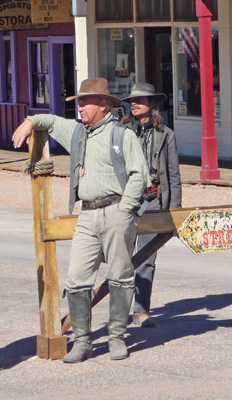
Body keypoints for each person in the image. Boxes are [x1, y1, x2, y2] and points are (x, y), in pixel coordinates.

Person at [12, 78, 149, 361]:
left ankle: (117, 339)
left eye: (84, 102)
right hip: (86, 214)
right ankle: (84, 342)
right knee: (76, 279)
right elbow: (49, 121)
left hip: (116, 211)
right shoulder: (77, 132)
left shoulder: (122, 135)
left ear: (102, 105)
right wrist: (29, 122)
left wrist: (125, 209)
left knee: (120, 276)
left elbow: (140, 174)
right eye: (79, 103)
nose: (80, 108)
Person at [121, 83, 182, 327]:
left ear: (152, 104)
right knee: (122, 257)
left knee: (146, 258)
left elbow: (174, 175)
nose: (134, 104)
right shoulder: (120, 131)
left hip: (154, 200)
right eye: (132, 101)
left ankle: (141, 310)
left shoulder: (166, 134)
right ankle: (120, 312)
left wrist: (175, 211)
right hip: (126, 200)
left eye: (140, 100)